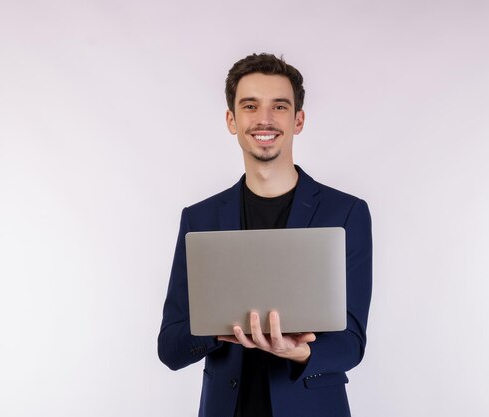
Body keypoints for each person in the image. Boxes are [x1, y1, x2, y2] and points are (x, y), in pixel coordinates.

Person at [158, 53, 372, 417]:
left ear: (298, 120)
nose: (264, 119)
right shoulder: (200, 218)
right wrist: (217, 329)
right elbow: (170, 347)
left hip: (312, 407)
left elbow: (351, 342)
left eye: (279, 106)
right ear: (231, 119)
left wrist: (301, 352)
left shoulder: (346, 213)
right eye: (250, 106)